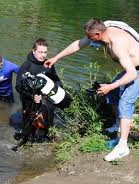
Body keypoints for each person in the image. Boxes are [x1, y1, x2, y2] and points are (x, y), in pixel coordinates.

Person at [45, 18, 139, 161]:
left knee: (125, 101)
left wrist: (110, 86)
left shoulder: (117, 45)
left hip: (135, 71)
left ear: (98, 34)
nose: (89, 40)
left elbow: (131, 74)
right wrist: (56, 58)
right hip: (133, 68)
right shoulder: (103, 29)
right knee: (113, 95)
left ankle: (123, 147)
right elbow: (78, 44)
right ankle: (119, 128)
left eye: (90, 37)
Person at [15, 38, 63, 141]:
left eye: (45, 52)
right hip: (29, 100)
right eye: (40, 52)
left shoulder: (48, 64)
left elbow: (57, 81)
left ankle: (45, 137)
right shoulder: (26, 65)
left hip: (45, 98)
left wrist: (58, 92)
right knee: (29, 126)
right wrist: (32, 96)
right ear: (33, 51)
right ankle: (27, 140)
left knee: (47, 123)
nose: (43, 55)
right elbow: (18, 86)